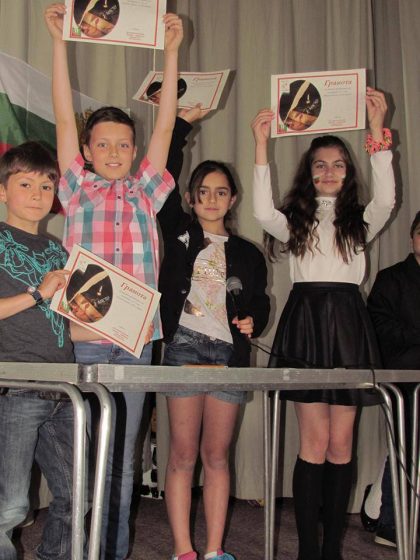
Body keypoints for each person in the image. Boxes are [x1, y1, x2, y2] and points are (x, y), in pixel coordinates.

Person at [44, 4, 183, 559]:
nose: (114, 152)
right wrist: (59, 43)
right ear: (87, 150)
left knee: (123, 459)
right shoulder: (77, 189)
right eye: (102, 144)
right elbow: (62, 119)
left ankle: (112, 552)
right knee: (80, 456)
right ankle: (73, 549)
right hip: (82, 336)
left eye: (124, 144)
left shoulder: (147, 191)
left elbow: (166, 126)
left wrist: (171, 54)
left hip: (135, 340)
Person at [251, 87, 395, 560]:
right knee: (313, 442)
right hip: (307, 321)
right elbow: (261, 212)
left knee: (341, 443)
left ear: (349, 172)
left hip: (349, 323)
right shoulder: (295, 221)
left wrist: (377, 132)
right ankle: (308, 551)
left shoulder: (361, 221)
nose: (329, 172)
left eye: (338, 165)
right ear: (308, 172)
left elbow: (387, 198)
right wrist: (261, 145)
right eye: (319, 165)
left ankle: (332, 548)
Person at [157, 111, 270, 560]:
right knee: (183, 454)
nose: (211, 199)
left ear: (233, 199)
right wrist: (181, 128)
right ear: (190, 197)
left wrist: (254, 320)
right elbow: (163, 179)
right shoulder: (179, 232)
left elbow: (259, 300)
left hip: (229, 353)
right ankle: (184, 550)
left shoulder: (248, 252)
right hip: (183, 345)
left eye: (221, 191)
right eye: (202, 191)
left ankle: (214, 550)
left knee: (217, 455)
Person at [0, 142, 75, 560]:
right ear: (2, 191)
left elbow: (64, 322)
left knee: (77, 495)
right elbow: (38, 300)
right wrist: (37, 294)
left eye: (47, 186)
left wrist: (122, 327)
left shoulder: (57, 251)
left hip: (63, 387)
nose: (37, 194)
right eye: (25, 184)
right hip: (15, 387)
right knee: (10, 505)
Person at [366, 210, 420, 548]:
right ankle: (390, 525)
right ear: (412, 237)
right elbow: (378, 325)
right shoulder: (391, 278)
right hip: (404, 378)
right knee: (405, 450)